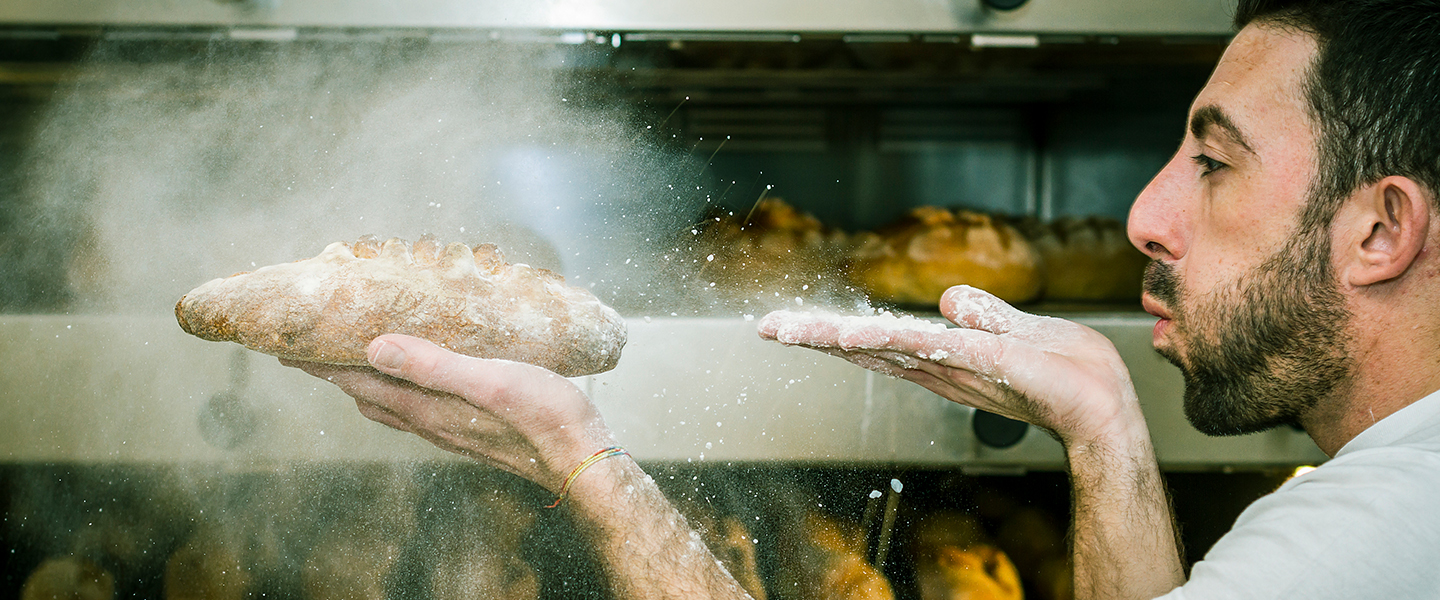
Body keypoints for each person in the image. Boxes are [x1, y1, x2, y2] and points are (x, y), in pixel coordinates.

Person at [285, 0, 1440, 598]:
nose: (1147, 213)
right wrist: (1105, 429)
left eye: (1212, 162)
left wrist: (581, 462)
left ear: (1380, 230)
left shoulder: (1358, 550)